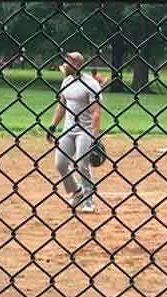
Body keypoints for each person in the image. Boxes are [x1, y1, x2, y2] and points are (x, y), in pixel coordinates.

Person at [47, 52, 103, 214]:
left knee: (82, 164)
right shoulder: (67, 81)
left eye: (68, 61)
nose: (64, 64)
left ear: (77, 64)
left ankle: (89, 201)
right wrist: (53, 126)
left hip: (85, 131)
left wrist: (95, 137)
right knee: (60, 163)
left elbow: (96, 112)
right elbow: (61, 106)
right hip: (68, 129)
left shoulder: (91, 84)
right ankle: (77, 191)